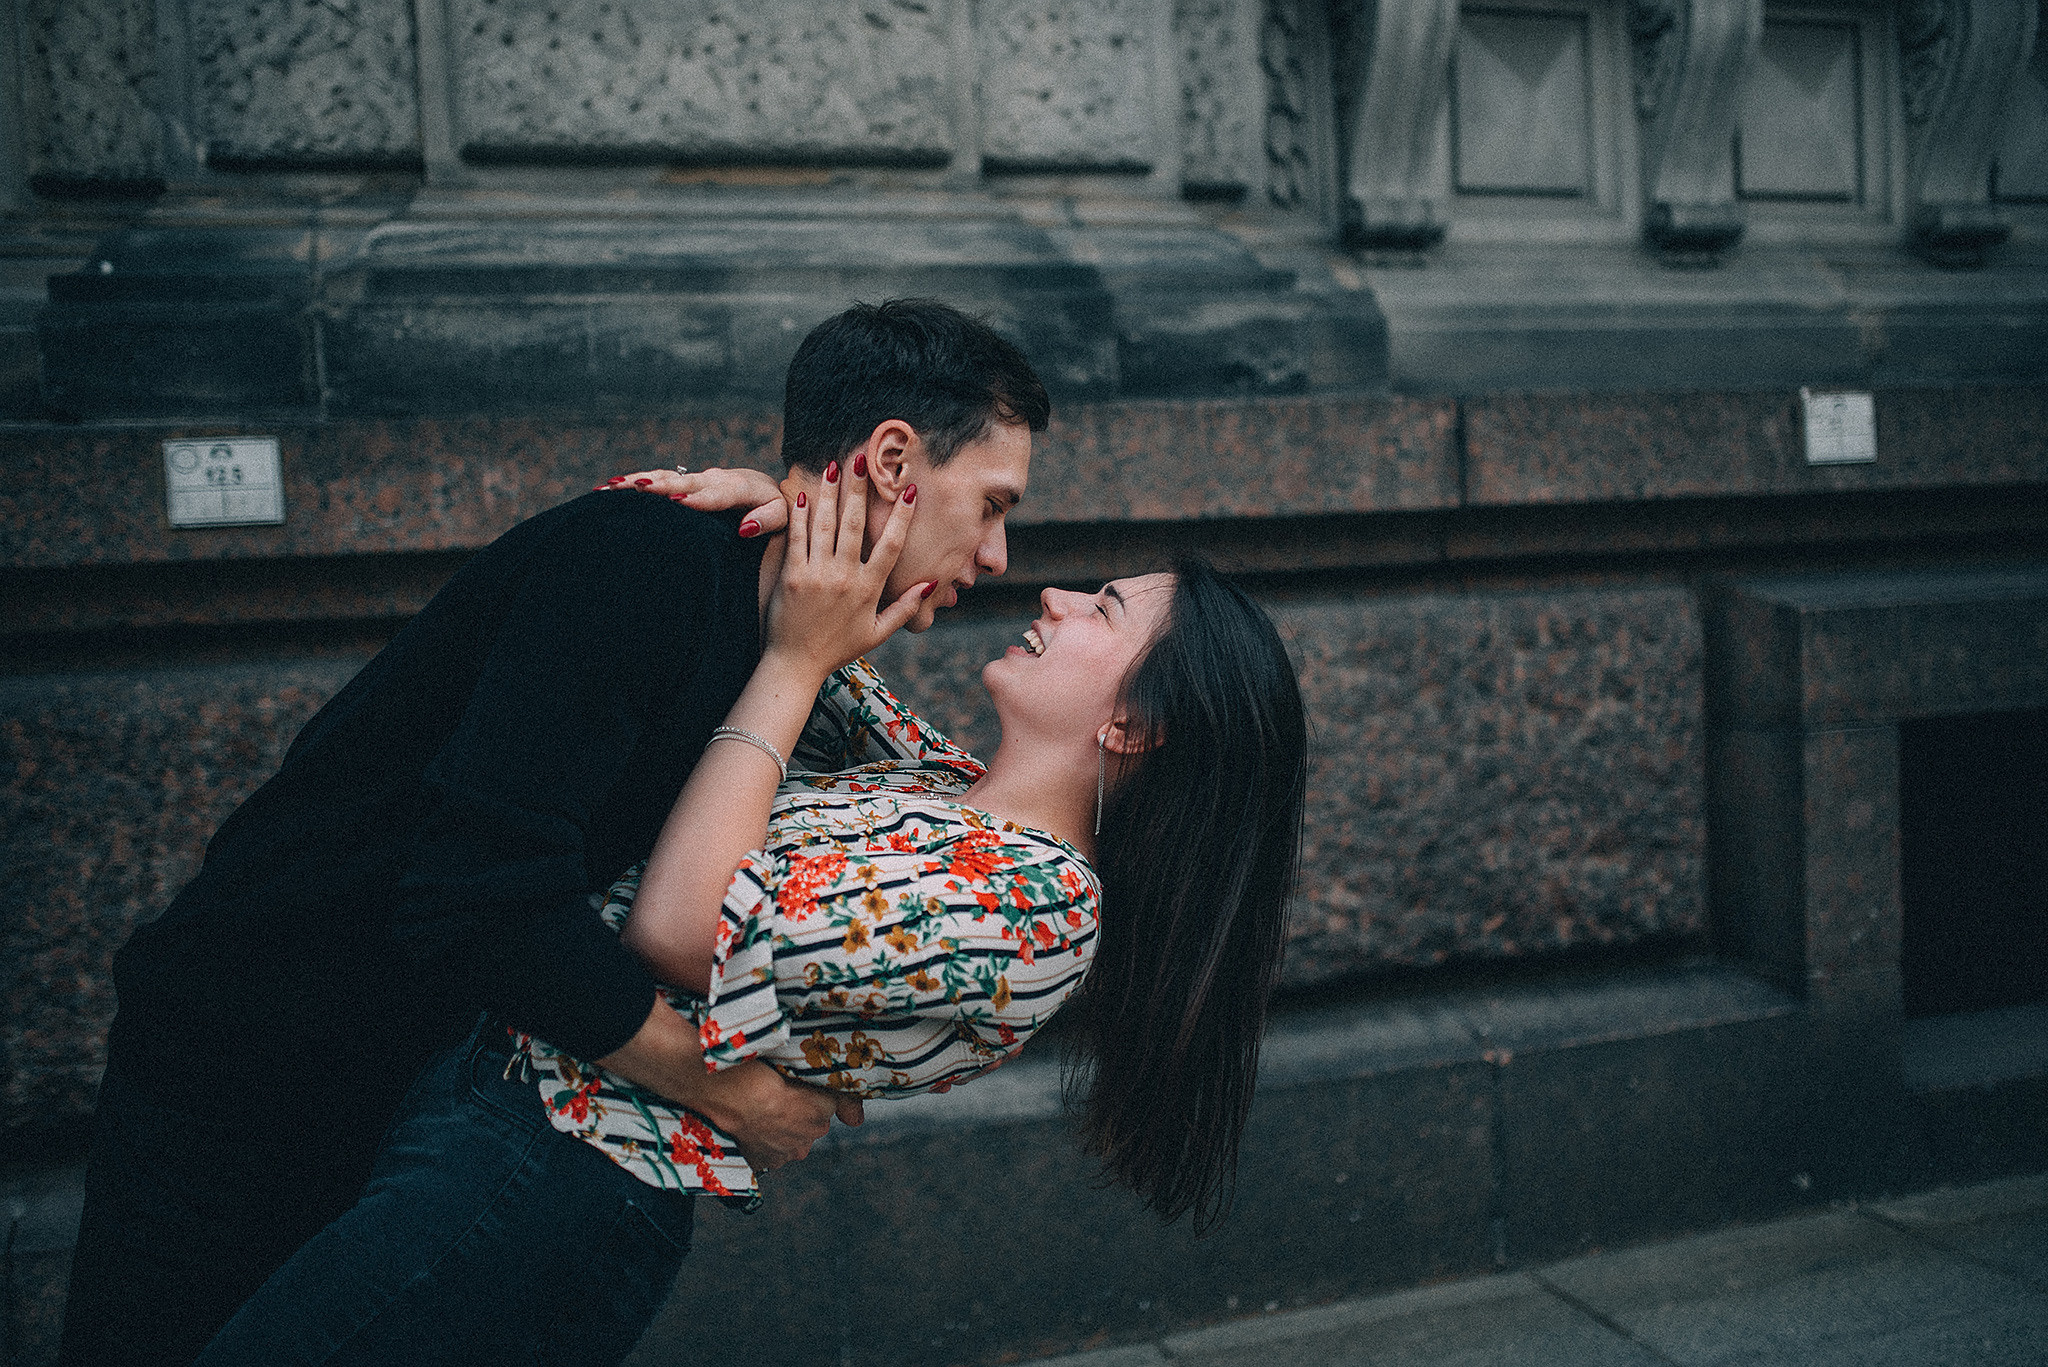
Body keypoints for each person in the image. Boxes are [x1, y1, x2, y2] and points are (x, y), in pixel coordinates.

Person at [59, 299, 1048, 1367]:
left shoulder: (790, 635)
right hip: (244, 1055)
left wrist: (791, 513)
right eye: (991, 504)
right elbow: (483, 897)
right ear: (893, 462)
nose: (998, 555)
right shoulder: (636, 560)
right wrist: (723, 1090)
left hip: (399, 1071)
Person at [184, 453, 1310, 1366]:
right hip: (487, 1096)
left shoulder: (1038, 909)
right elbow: (815, 616)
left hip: (553, 1177)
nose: (1053, 594)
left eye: (1103, 609)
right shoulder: (936, 782)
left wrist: (794, 656)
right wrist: (786, 505)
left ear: (1134, 724)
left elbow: (680, 926)